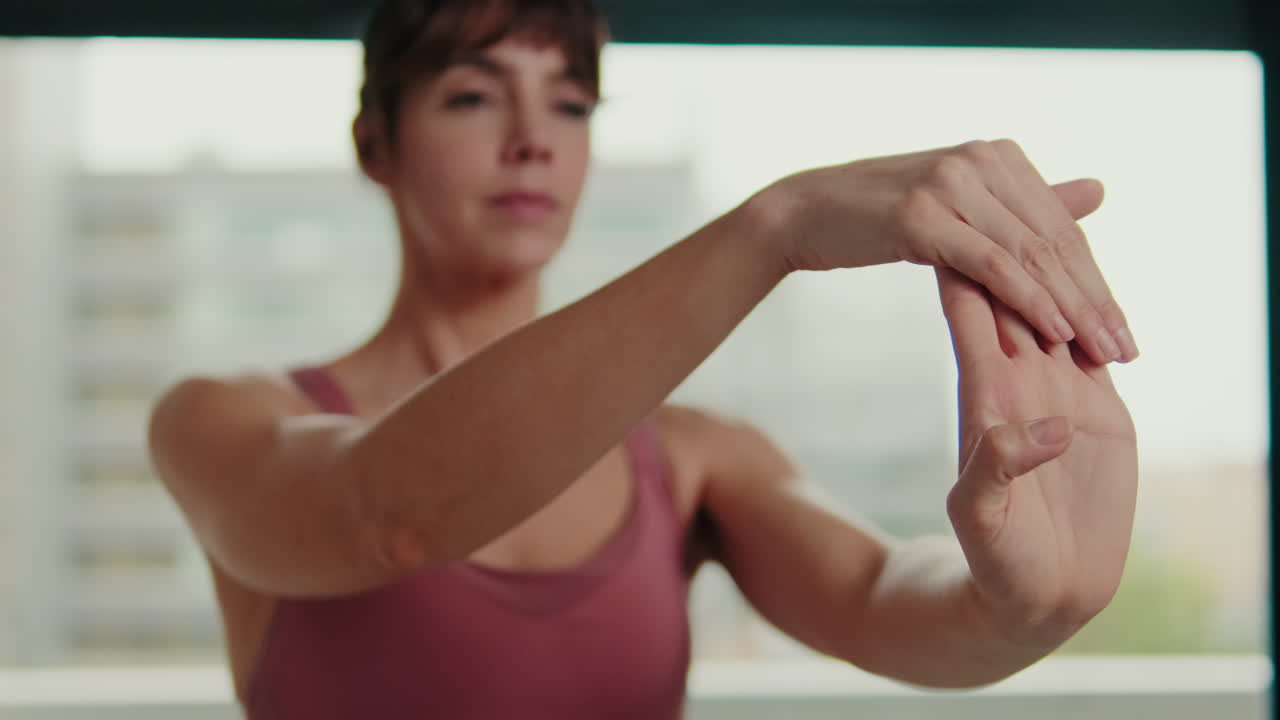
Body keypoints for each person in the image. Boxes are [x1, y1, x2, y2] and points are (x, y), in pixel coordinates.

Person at [146, 0, 1139, 717]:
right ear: (375, 142)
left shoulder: (691, 454)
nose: (533, 139)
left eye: (570, 104)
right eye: (471, 98)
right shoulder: (218, 420)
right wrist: (772, 227)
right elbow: (387, 515)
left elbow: (879, 595)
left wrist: (1015, 606)